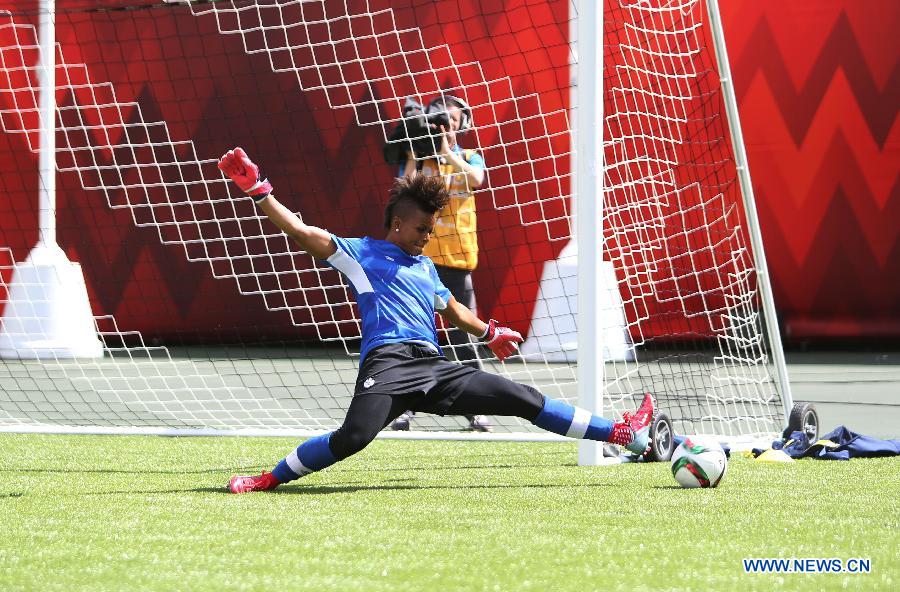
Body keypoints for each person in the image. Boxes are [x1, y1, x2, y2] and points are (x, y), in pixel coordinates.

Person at [216, 147, 653, 494]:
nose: (428, 237)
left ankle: (620, 432)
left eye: (431, 230)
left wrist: (489, 332)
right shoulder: (359, 254)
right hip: (387, 366)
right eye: (422, 229)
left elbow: (453, 309)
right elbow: (300, 230)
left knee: (522, 396)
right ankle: (269, 479)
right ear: (397, 223)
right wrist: (260, 190)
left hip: (434, 365)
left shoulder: (425, 268)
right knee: (352, 438)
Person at [393, 94, 491, 432]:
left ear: (462, 124)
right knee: (413, 336)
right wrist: (411, 149)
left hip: (458, 258)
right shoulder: (421, 162)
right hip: (420, 261)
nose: (446, 126)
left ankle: (476, 409)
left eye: (452, 120)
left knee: (464, 337)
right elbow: (402, 189)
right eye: (440, 121)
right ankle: (403, 407)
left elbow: (477, 180)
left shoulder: (469, 157)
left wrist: (448, 152)